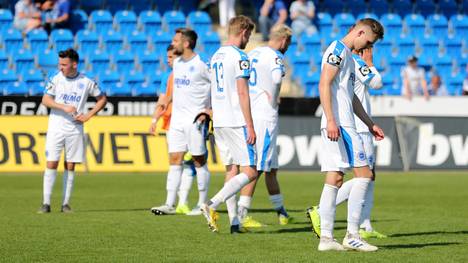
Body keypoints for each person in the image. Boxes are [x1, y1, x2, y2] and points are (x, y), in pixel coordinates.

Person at [311, 18, 385, 252]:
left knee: (335, 178)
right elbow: (324, 83)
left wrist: (370, 123)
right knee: (364, 175)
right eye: (367, 42)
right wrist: (332, 119)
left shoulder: (349, 58)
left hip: (344, 121)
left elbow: (351, 97)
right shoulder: (337, 50)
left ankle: (326, 239)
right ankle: (353, 234)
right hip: (340, 124)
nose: (365, 48)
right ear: (360, 31)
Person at [200, 15, 257, 234]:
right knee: (251, 171)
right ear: (243, 32)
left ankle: (234, 222)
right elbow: (242, 92)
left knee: (231, 170)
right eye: (249, 35)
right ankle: (212, 204)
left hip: (220, 121)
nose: (248, 39)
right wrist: (250, 125)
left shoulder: (215, 56)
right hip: (236, 120)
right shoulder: (240, 56)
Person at [235, 24, 293, 228]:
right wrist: (275, 98)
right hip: (265, 116)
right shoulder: (276, 56)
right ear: (284, 40)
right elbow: (277, 78)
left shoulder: (253, 52)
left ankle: (281, 212)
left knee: (271, 168)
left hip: (251, 112)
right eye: (289, 43)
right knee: (257, 168)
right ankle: (241, 214)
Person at [150, 28, 212, 216]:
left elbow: (219, 87)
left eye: (176, 40)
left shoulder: (203, 64)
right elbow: (171, 92)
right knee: (174, 160)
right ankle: (169, 204)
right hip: (176, 120)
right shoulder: (177, 63)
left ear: (186, 43)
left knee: (198, 160)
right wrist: (159, 112)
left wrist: (209, 111)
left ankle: (202, 204)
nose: (172, 43)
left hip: (195, 121)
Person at [38, 48, 107, 214]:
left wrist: (89, 115)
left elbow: (102, 99)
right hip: (56, 126)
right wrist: (63, 106)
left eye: (64, 64)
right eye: (59, 63)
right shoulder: (55, 78)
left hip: (75, 128)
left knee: (70, 165)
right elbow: (45, 99)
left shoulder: (86, 81)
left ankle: (65, 203)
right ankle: (46, 203)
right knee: (51, 163)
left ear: (74, 64)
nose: (60, 67)